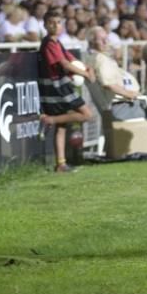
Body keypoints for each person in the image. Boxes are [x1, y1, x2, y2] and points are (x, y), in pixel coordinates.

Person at [37, 9, 95, 173]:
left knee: (62, 125)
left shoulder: (57, 43)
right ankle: (49, 120)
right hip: (57, 87)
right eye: (51, 23)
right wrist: (84, 74)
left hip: (60, 85)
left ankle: (60, 164)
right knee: (87, 114)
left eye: (58, 22)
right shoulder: (49, 43)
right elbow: (64, 64)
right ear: (45, 25)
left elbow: (70, 58)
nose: (56, 26)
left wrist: (86, 67)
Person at [86, 26, 145, 121]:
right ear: (92, 42)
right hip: (121, 105)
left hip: (119, 105)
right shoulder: (100, 59)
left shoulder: (96, 57)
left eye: (106, 39)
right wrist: (130, 94)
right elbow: (109, 84)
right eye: (101, 40)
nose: (105, 42)